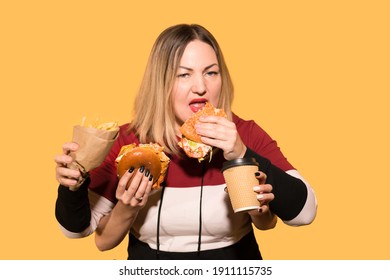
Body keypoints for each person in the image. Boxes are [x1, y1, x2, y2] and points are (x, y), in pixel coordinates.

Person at [54, 23, 317, 260]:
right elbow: (77, 231)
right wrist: (72, 185)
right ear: (161, 82)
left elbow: (304, 214)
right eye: (184, 75)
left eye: (211, 73)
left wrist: (241, 152)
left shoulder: (243, 133)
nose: (201, 86)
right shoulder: (128, 140)